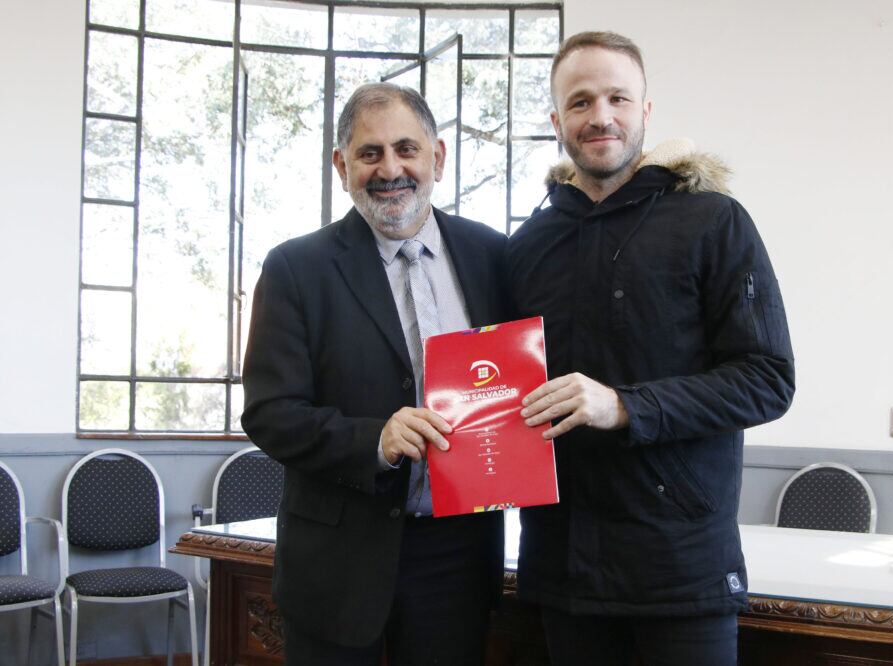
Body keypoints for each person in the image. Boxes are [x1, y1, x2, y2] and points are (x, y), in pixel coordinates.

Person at [503, 32, 796, 665]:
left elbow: (768, 378)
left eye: (617, 98)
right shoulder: (528, 244)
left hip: (683, 571)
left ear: (646, 111)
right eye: (580, 102)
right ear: (557, 121)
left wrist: (625, 406)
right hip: (563, 568)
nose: (600, 116)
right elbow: (498, 388)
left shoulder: (714, 221)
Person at [242, 82, 506, 666]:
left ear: (437, 156)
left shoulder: (494, 255)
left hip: (456, 558)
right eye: (369, 154)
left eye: (406, 149)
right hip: (337, 563)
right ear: (342, 166)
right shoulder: (295, 268)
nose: (391, 169)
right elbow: (269, 412)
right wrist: (375, 441)